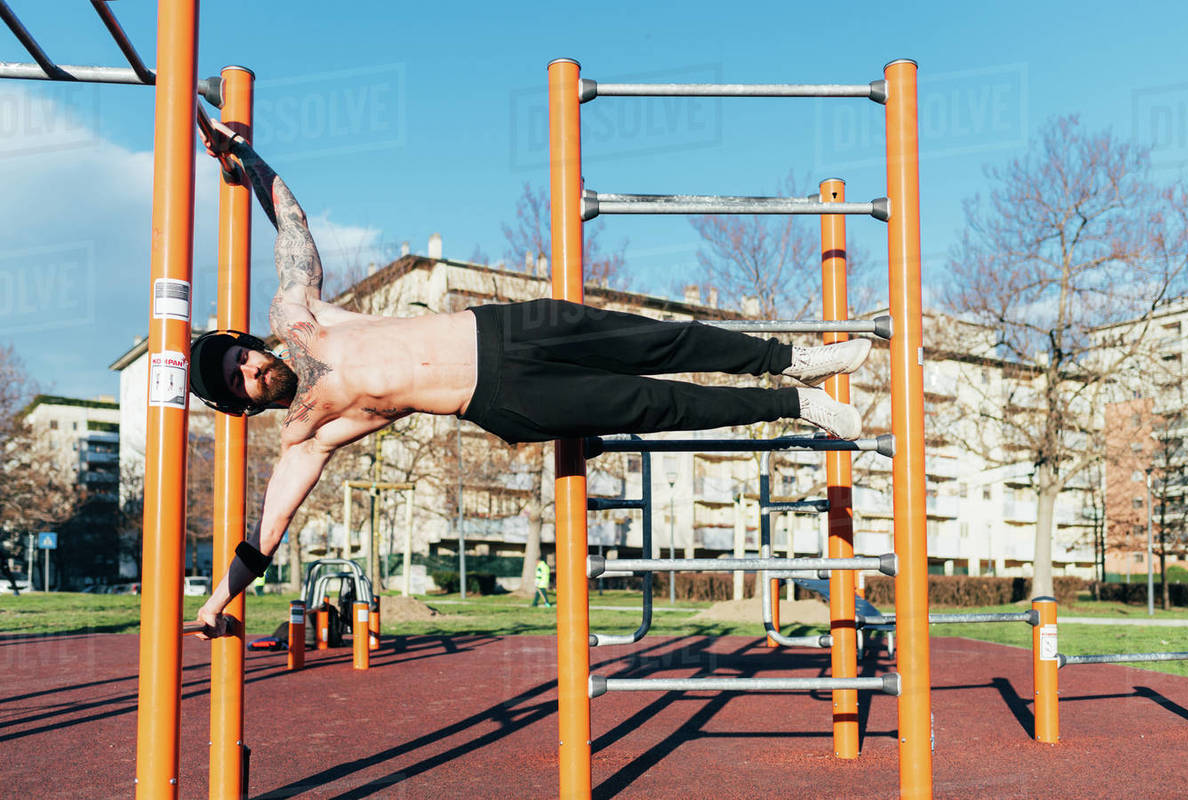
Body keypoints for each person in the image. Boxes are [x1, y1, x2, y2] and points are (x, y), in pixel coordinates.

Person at [190, 121, 871, 638]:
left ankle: (791, 359)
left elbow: (291, 223)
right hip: (502, 399)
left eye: (244, 357)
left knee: (658, 338)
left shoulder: (298, 313)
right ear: (242, 404)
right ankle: (797, 402)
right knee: (655, 403)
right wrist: (215, 604)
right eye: (240, 380)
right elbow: (266, 534)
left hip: (502, 330)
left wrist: (243, 157)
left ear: (252, 343)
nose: (253, 369)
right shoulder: (307, 435)